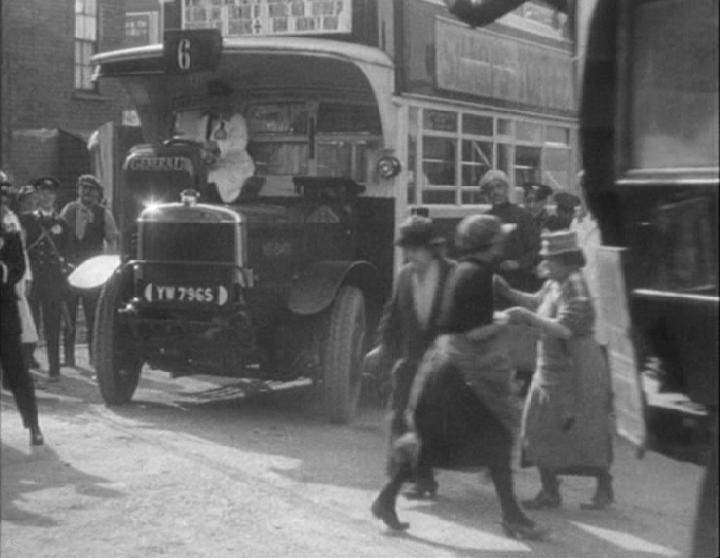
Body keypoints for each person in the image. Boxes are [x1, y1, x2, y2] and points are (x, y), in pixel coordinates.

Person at [372, 214, 546, 540]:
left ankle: (386, 501)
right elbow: (474, 331)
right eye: (497, 239)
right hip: (460, 372)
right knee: (492, 439)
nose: (500, 244)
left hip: (446, 367)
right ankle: (513, 517)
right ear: (488, 243)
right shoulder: (478, 274)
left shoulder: (463, 269)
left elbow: (458, 320)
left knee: (460, 442)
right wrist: (512, 318)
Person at [498, 230, 614, 511]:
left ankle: (604, 488)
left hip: (577, 367)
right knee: (537, 427)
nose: (546, 264)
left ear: (568, 261)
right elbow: (538, 303)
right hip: (549, 366)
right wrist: (507, 291)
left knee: (584, 432)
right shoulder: (555, 282)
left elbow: (566, 328)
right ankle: (550, 491)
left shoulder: (576, 285)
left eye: (551, 260)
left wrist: (526, 318)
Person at [369, 215, 455, 500]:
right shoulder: (404, 275)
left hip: (444, 363)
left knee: (432, 423)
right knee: (403, 419)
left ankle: (425, 477)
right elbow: (391, 316)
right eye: (406, 250)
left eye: (414, 249)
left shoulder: (453, 274)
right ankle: (420, 479)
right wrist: (382, 348)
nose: (409, 256)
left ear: (432, 248)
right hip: (411, 360)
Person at [60, 174, 119, 366]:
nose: (86, 193)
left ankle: (95, 357)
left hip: (92, 272)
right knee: (69, 315)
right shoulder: (69, 210)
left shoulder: (104, 213)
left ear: (97, 193)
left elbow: (112, 240)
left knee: (93, 315)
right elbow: (58, 235)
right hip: (71, 269)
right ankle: (69, 358)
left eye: (90, 189)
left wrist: (108, 266)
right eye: (83, 188)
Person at [21, 176, 71, 382]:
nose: (46, 196)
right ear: (37, 195)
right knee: (30, 324)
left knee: (53, 325)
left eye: (50, 193)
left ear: (55, 196)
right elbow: (21, 249)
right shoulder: (27, 220)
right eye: (42, 192)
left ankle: (54, 369)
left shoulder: (62, 223)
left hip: (53, 281)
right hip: (33, 279)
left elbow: (68, 253)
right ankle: (27, 365)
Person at [1, 212, 44, 446]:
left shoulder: (10, 234)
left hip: (4, 310)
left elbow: (18, 266)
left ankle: (33, 426)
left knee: (17, 368)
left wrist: (2, 270)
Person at [1, 176, 41, 370]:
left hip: (12, 280)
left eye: (5, 193)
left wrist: (27, 276)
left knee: (22, 327)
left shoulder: (11, 218)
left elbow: (21, 251)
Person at [480, 170, 538, 293]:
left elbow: (535, 249)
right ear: (486, 193)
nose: (495, 192)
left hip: (519, 282)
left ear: (506, 188)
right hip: (493, 282)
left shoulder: (522, 215)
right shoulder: (484, 219)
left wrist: (518, 263)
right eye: (490, 189)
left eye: (499, 186)